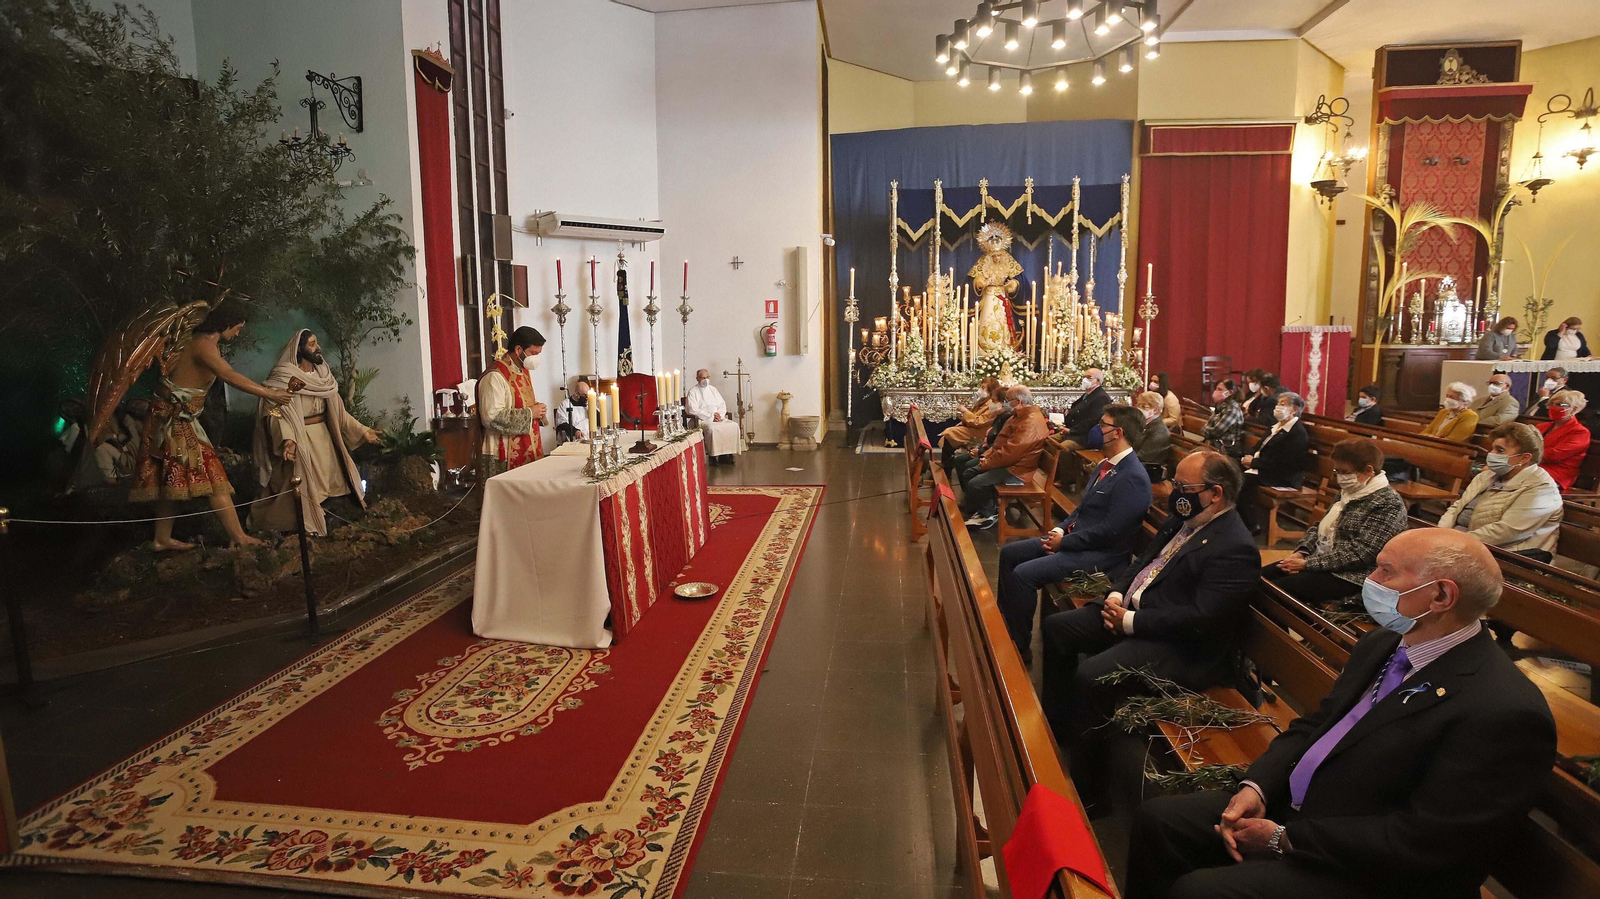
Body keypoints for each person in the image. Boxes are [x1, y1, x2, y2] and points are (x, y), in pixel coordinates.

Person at [1125, 528, 1556, 899]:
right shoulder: (1385, 643)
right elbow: (1319, 723)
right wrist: (1257, 785)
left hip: (1379, 870)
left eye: (1386, 571)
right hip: (1308, 809)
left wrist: (1284, 839)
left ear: (1441, 595)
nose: (1370, 581)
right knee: (1160, 821)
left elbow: (1429, 842)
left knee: (1199, 892)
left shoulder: (1503, 710)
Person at [1040, 452, 1259, 803]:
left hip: (1178, 645)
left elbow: (1202, 618)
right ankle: (1060, 729)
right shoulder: (1184, 518)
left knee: (1091, 676)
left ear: (1215, 493)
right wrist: (1115, 593)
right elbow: (1143, 562)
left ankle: (1090, 795)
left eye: (1183, 485)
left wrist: (1131, 622)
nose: (1174, 491)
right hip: (1134, 611)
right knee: (1057, 628)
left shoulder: (1234, 547)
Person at [129, 305, 293, 550]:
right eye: (237, 329)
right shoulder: (203, 345)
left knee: (169, 481)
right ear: (225, 323)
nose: (238, 334)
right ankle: (238, 537)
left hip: (174, 419)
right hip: (175, 422)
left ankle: (161, 539)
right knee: (214, 477)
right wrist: (269, 393)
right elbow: (228, 374)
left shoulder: (194, 341)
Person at [996, 404, 1152, 658]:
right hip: (1077, 542)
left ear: (1117, 432)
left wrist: (1064, 543)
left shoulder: (1132, 476)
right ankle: (1005, 627)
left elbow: (1111, 531)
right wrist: (1059, 530)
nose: (1097, 429)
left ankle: (1018, 648)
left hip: (1101, 556)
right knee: (1011, 553)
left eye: (1102, 424)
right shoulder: (1106, 464)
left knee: (1024, 574)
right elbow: (1082, 510)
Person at [249, 330, 380, 536]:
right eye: (311, 344)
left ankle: (332, 518)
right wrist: (288, 439)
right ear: (299, 349)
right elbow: (276, 413)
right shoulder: (285, 377)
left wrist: (363, 431)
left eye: (316, 343)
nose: (317, 348)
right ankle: (306, 524)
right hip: (303, 438)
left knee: (333, 482)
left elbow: (339, 413)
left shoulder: (323, 377)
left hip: (325, 438)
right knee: (307, 487)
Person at [1262, 438, 1408, 605]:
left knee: (1277, 592)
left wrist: (1307, 564)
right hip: (1323, 563)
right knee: (1260, 577)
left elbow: (1361, 554)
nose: (1339, 477)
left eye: (1344, 472)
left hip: (1354, 576)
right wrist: (1302, 552)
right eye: (1336, 471)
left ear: (1369, 470)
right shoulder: (1348, 492)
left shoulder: (1387, 503)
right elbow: (1319, 527)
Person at [1440, 422, 1562, 562]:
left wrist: (1452, 542)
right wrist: (1440, 533)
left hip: (1504, 556)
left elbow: (1507, 531)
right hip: (1461, 543)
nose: (1491, 454)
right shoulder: (1486, 476)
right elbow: (1457, 507)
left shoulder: (1542, 488)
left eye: (1500, 450)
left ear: (1524, 458)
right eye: (1492, 449)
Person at [961, 385, 1049, 528]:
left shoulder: (1030, 422)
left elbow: (1011, 452)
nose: (1006, 403)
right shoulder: (1019, 416)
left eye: (1008, 400)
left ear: (1018, 401)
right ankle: (982, 509)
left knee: (976, 482)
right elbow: (1000, 442)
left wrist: (988, 463)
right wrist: (986, 456)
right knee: (970, 471)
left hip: (1018, 471)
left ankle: (990, 514)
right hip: (1010, 463)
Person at [478, 326, 547, 476]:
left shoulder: (521, 371)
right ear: (518, 350)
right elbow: (491, 417)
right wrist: (530, 413)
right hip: (502, 451)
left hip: (527, 447)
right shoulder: (495, 376)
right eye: (533, 353)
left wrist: (538, 410)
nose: (536, 358)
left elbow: (520, 403)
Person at [1237, 392, 1310, 530]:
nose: (1277, 407)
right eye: (1278, 403)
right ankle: (1239, 521)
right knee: (1230, 471)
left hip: (1282, 476)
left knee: (1241, 481)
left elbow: (1283, 463)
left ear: (1294, 409)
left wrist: (1253, 463)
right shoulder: (1276, 427)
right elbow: (1258, 447)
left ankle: (1251, 524)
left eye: (1283, 404)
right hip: (1263, 468)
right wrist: (1246, 458)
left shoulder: (1297, 433)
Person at [1536, 389, 1590, 491]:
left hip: (1558, 472)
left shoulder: (1580, 432)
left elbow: (1555, 454)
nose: (1553, 407)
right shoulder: (1541, 426)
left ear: (1574, 409)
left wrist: (1527, 455)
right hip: (1535, 467)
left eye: (1560, 404)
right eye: (1551, 404)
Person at [686, 369, 742, 464]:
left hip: (718, 418)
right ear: (697, 379)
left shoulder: (713, 389)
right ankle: (713, 456)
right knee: (712, 429)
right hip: (703, 419)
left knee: (733, 426)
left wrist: (719, 415)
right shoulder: (693, 391)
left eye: (707, 377)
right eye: (703, 378)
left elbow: (722, 404)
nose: (706, 380)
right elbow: (692, 409)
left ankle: (726, 455)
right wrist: (711, 416)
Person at [939, 377, 1004, 455]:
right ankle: (948, 461)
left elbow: (979, 421)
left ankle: (947, 463)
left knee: (950, 433)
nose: (981, 390)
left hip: (980, 431)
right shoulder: (983, 400)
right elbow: (974, 415)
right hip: (973, 428)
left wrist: (965, 411)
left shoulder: (992, 404)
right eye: (981, 387)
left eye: (983, 388)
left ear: (991, 390)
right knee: (951, 433)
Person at [1059, 368, 1111, 451]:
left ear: (1097, 381)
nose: (1085, 380)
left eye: (1089, 377)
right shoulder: (1088, 394)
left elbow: (1093, 421)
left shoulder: (1101, 397)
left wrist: (1071, 431)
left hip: (1085, 436)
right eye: (1084, 377)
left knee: (1063, 448)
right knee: (1049, 441)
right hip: (1074, 432)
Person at [1201, 379, 1245, 456]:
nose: (1216, 392)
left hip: (1227, 447)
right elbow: (1208, 424)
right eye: (1216, 389)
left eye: (1220, 389)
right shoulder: (1220, 406)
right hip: (1215, 443)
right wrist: (1205, 430)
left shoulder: (1232, 409)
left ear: (1230, 392)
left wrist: (1205, 430)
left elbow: (1216, 431)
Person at [1132, 391, 1172, 471]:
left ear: (1156, 410)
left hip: (1148, 471)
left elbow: (1143, 457)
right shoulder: (1142, 424)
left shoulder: (1159, 431)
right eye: (1138, 405)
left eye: (1144, 406)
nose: (1139, 409)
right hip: (1136, 466)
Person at [553, 377, 592, 444]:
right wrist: (575, 431)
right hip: (574, 440)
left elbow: (599, 421)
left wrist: (592, 409)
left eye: (588, 395)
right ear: (576, 393)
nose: (587, 398)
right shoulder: (565, 404)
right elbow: (562, 423)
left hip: (590, 438)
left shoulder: (589, 404)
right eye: (584, 395)